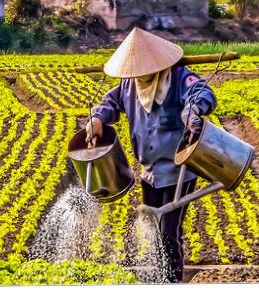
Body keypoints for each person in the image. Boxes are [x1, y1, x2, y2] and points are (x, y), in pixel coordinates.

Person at [85, 27, 217, 283]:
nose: (139, 75)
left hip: (180, 170)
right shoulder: (129, 84)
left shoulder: (178, 78)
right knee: (156, 232)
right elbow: (109, 104)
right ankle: (159, 277)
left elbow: (203, 92)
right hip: (150, 173)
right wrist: (98, 118)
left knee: (169, 232)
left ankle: (172, 281)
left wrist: (193, 109)